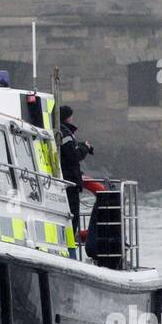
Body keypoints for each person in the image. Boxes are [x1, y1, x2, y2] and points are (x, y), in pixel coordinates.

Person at [58, 105, 94, 258]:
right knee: (72, 219)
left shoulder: (64, 132)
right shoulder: (65, 132)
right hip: (69, 184)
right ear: (68, 117)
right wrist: (84, 148)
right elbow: (73, 155)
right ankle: (69, 252)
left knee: (70, 219)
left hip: (66, 182)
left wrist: (83, 146)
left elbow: (70, 149)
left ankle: (69, 249)